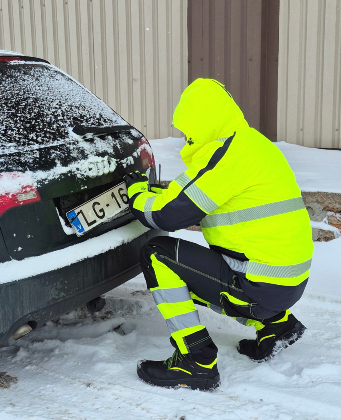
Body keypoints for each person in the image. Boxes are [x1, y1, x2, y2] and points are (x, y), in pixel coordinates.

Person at [123, 78, 313, 391]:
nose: (185, 138)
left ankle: (195, 361)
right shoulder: (251, 145)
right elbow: (187, 193)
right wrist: (154, 193)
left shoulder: (225, 156)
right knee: (204, 267)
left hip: (260, 287)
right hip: (286, 284)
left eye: (187, 130)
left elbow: (168, 214)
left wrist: (136, 195)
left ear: (201, 122)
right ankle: (278, 326)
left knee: (157, 255)